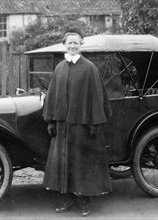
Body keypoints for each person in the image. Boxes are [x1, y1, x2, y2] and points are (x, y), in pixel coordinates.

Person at [42, 27, 112, 217]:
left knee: (82, 163)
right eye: (69, 43)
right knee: (64, 163)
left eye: (76, 43)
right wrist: (50, 120)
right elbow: (53, 95)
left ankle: (84, 201)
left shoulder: (89, 68)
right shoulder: (59, 68)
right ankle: (67, 198)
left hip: (82, 125)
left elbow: (96, 97)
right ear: (64, 45)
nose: (73, 46)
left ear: (82, 44)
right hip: (63, 126)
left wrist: (93, 124)